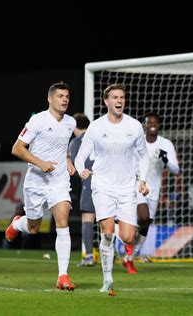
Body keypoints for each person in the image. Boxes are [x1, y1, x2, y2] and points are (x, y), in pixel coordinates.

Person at [75, 84, 149, 296]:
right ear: (106, 101)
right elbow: (81, 157)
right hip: (103, 186)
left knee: (127, 237)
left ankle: (114, 232)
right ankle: (107, 280)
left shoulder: (134, 126)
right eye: (115, 97)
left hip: (127, 188)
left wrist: (142, 179)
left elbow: (143, 155)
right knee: (107, 231)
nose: (119, 101)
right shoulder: (97, 127)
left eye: (122, 97)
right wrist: (82, 170)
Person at [5, 81, 77, 290]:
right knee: (33, 228)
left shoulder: (70, 123)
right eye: (60, 96)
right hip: (36, 181)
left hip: (59, 181)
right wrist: (41, 163)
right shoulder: (37, 121)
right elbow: (17, 149)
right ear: (50, 98)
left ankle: (62, 276)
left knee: (62, 221)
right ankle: (18, 223)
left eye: (67, 97)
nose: (64, 100)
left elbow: (62, 145)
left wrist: (68, 160)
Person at [121, 112, 180, 273]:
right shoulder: (137, 143)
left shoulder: (166, 144)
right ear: (144, 125)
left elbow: (176, 170)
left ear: (158, 125)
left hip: (154, 189)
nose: (152, 124)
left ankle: (130, 256)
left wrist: (166, 159)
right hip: (138, 185)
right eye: (149, 122)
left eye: (155, 122)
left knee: (146, 224)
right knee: (143, 217)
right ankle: (127, 239)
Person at [68, 113, 97, 267]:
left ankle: (89, 256)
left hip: (90, 182)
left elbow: (71, 166)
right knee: (110, 220)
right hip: (108, 181)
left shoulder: (76, 142)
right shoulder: (97, 136)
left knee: (88, 219)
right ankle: (114, 255)